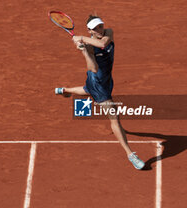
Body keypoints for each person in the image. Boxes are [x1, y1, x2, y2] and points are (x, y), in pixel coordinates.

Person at [55, 15, 145, 170]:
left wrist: (81, 38)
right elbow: (93, 68)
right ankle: (130, 154)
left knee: (87, 90)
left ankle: (65, 90)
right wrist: (84, 52)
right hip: (98, 83)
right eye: (95, 28)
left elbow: (103, 43)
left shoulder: (108, 32)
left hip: (106, 80)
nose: (100, 30)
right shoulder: (89, 46)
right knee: (114, 117)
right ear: (90, 30)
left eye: (100, 26)